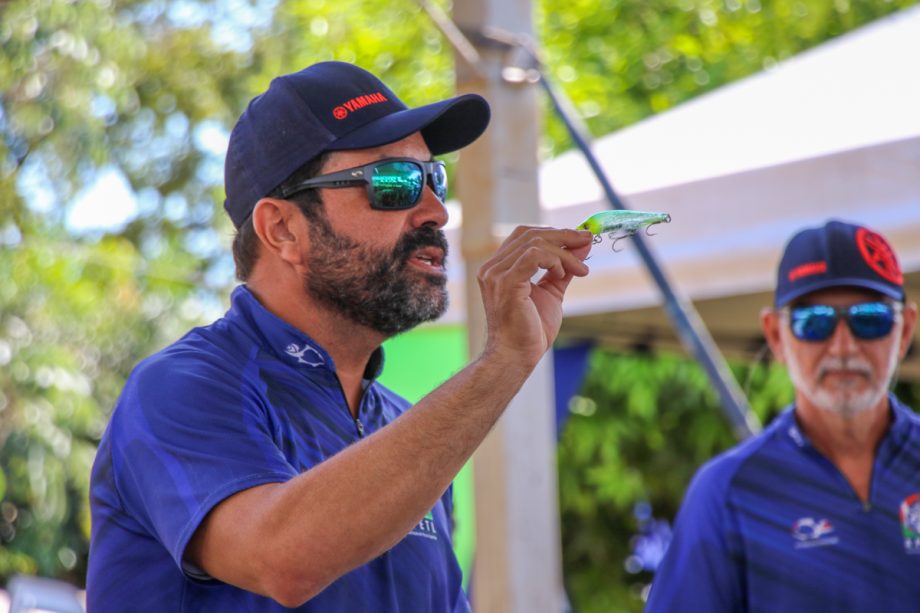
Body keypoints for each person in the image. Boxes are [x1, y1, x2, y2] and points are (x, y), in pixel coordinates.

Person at [86, 61, 594, 611]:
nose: (435, 211)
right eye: (395, 183)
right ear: (282, 229)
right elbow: (283, 560)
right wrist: (502, 362)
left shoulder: (403, 425)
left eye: (434, 178)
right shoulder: (181, 388)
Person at [645, 219, 919, 612]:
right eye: (814, 322)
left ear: (905, 330)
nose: (843, 347)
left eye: (870, 318)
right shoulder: (728, 494)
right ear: (775, 335)